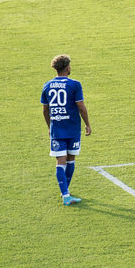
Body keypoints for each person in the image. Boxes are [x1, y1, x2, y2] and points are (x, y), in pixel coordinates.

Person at [41, 54, 91, 206]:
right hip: (72, 128)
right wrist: (87, 124)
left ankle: (65, 192)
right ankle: (66, 195)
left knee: (60, 161)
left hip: (57, 129)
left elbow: (45, 110)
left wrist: (50, 126)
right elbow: (81, 106)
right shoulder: (74, 85)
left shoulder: (47, 85)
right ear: (68, 67)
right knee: (70, 160)